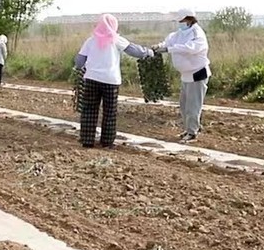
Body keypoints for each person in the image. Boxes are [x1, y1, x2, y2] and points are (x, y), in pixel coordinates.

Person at [73, 14, 155, 148]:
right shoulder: (116, 40)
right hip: (111, 81)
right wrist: (149, 52)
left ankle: (87, 141)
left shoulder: (91, 41)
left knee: (89, 110)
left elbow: (79, 61)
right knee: (109, 112)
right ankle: (107, 142)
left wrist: (79, 68)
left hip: (92, 79)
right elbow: (135, 51)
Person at [153, 9, 210, 143]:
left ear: (190, 20)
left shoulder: (197, 34)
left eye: (182, 21)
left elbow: (190, 48)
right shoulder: (179, 33)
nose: (180, 23)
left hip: (197, 73)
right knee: (184, 105)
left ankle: (192, 132)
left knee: (193, 106)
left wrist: (169, 49)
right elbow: (169, 41)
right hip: (185, 75)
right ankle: (189, 129)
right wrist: (160, 46)